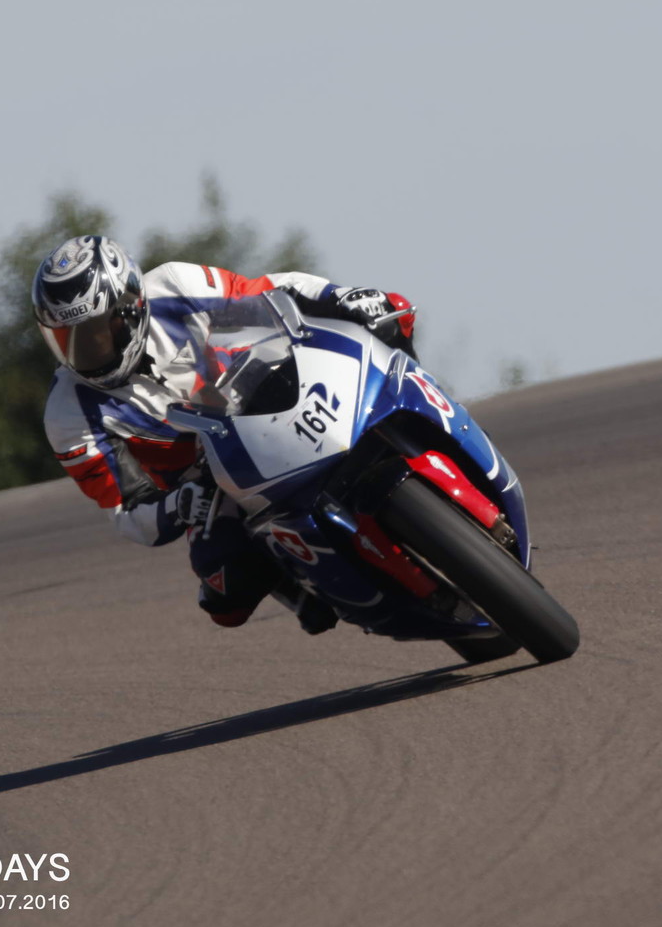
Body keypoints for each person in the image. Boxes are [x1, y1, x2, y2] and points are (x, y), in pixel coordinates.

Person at [33, 235, 417, 632]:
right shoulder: (67, 413)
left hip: (270, 397)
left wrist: (339, 296)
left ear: (130, 308)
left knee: (392, 313)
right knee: (226, 592)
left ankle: (424, 415)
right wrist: (181, 503)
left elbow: (270, 290)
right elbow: (128, 510)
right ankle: (302, 586)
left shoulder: (176, 286)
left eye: (94, 332)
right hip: (214, 481)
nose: (81, 351)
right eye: (65, 339)